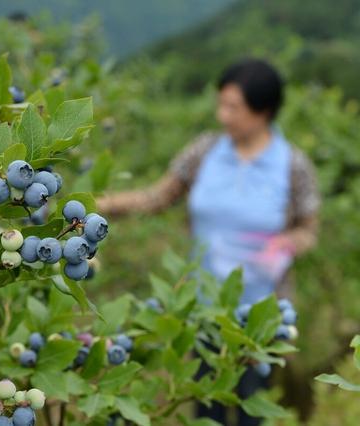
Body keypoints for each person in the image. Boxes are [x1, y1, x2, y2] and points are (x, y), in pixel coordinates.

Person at [97, 58, 320, 425]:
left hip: (260, 316)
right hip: (202, 307)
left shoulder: (293, 165)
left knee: (251, 406)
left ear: (263, 110)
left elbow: (308, 230)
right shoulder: (205, 151)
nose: (222, 116)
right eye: (221, 104)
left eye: (233, 107)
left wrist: (283, 245)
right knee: (205, 405)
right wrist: (101, 207)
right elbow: (157, 197)